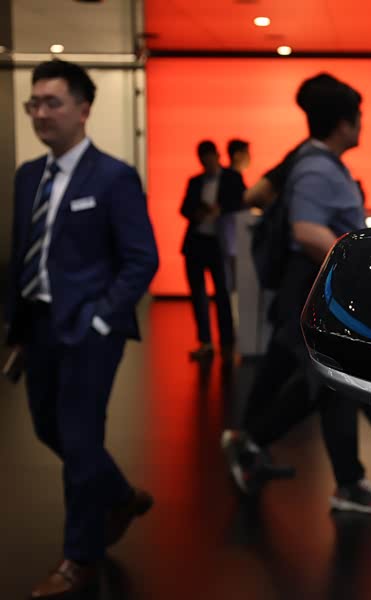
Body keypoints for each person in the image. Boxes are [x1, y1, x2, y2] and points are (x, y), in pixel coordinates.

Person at [4, 60, 159, 598]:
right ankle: (120, 496)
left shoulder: (113, 177)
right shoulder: (29, 175)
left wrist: (100, 317)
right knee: (49, 428)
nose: (41, 113)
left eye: (53, 102)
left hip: (89, 329)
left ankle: (80, 557)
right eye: (34, 103)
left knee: (79, 435)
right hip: (40, 325)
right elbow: (24, 253)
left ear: (83, 109)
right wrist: (18, 326)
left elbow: (142, 258)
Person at [221, 73, 371, 513]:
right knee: (327, 384)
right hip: (313, 288)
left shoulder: (312, 161)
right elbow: (306, 230)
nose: (362, 124)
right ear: (343, 123)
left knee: (324, 382)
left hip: (310, 288)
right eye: (358, 117)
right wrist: (355, 267)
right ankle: (263, 447)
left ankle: (252, 442)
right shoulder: (317, 168)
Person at [180, 140, 245, 361]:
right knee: (198, 294)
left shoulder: (232, 178)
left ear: (217, 156)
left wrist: (221, 209)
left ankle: (226, 341)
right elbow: (185, 208)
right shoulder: (195, 181)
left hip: (221, 242)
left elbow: (241, 200)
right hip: (197, 243)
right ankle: (206, 341)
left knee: (222, 292)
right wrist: (198, 212)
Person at [220, 139, 251, 291]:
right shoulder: (231, 177)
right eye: (247, 153)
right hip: (232, 234)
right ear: (238, 155)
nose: (249, 158)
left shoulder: (231, 177)